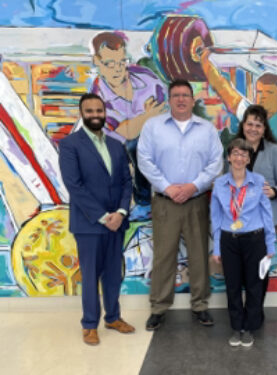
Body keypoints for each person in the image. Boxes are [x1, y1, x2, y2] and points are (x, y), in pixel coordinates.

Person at [137, 79, 223, 330]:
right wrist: (168, 187)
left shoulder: (207, 129)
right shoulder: (153, 127)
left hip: (196, 200)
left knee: (198, 255)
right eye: (176, 95)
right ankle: (159, 308)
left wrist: (193, 186)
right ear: (170, 99)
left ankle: (200, 306)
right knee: (164, 256)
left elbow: (216, 163)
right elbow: (144, 160)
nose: (181, 99)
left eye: (186, 95)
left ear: (193, 100)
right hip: (165, 201)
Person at [59, 93, 135, 346]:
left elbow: (126, 181)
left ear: (105, 113)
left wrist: (121, 213)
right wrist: (103, 217)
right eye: (89, 111)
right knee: (90, 276)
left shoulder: (116, 145)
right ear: (82, 114)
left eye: (99, 111)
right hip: (90, 224)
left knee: (113, 275)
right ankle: (89, 324)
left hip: (117, 222)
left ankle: (113, 318)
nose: (95, 115)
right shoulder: (70, 145)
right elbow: (74, 186)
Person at [91, 31, 167, 220]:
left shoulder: (145, 77)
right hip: (114, 148)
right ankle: (143, 204)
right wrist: (147, 115)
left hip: (154, 135)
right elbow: (126, 132)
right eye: (110, 64)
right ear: (97, 62)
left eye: (122, 62)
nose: (118, 69)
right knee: (135, 144)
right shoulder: (97, 96)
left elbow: (164, 108)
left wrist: (142, 121)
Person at [211, 138, 276, 347]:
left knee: (255, 286)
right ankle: (237, 327)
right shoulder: (219, 184)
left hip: (255, 240)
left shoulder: (259, 181)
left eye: (244, 154)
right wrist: (217, 246)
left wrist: (270, 244)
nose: (239, 158)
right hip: (230, 241)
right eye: (235, 153)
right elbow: (216, 218)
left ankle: (250, 327)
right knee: (232, 286)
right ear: (229, 157)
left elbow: (267, 215)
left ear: (249, 159)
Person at [233, 105, 277, 312]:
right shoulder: (234, 149)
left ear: (265, 128)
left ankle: (255, 313)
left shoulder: (274, 151)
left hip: (263, 223)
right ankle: (240, 313)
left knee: (259, 270)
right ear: (243, 125)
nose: (254, 128)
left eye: (259, 125)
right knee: (238, 270)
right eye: (250, 124)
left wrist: (273, 192)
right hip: (236, 222)